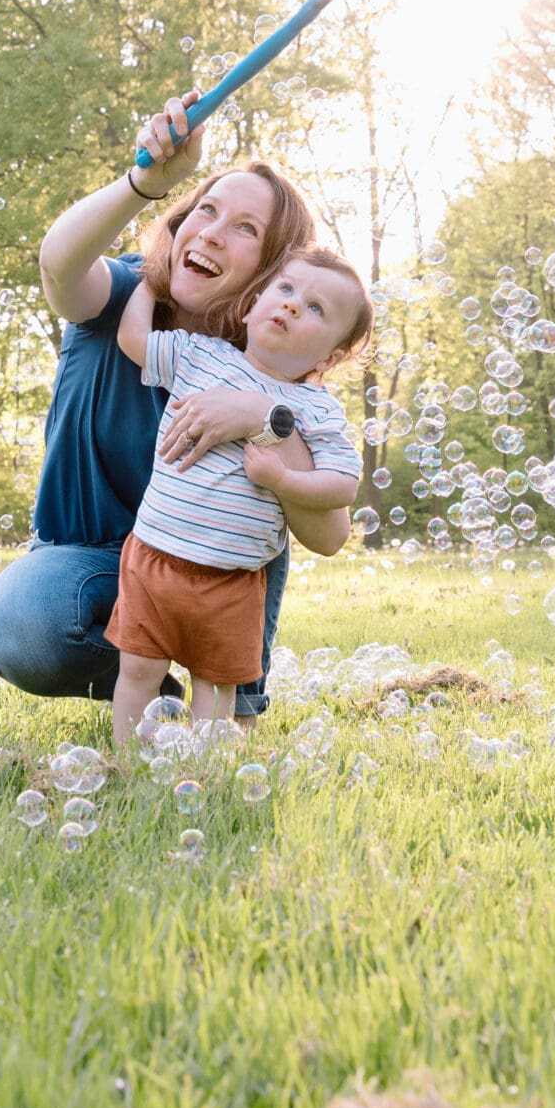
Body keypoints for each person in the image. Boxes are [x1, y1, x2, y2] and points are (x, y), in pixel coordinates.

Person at [0, 89, 352, 721]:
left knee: (269, 493)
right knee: (25, 626)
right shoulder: (124, 297)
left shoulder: (277, 371)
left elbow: (328, 532)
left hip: (214, 566)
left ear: (270, 274)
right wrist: (142, 181)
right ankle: (156, 695)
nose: (210, 233)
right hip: (95, 561)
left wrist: (262, 421)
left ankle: (235, 701)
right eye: (205, 209)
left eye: (246, 229)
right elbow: (57, 264)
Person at [106, 245, 368, 740]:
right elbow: (133, 337)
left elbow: (342, 485)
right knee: (138, 671)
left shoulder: (316, 410)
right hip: (153, 557)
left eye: (315, 308)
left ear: (329, 357)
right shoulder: (201, 356)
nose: (292, 305)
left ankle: (206, 773)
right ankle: (126, 762)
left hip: (232, 578)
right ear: (249, 307)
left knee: (214, 688)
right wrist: (149, 280)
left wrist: (283, 480)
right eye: (286, 290)